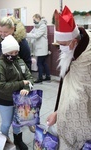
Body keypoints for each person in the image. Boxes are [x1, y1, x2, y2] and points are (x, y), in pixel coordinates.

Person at [46, 6, 91, 150]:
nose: (61, 48)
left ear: (75, 41)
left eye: (63, 44)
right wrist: (58, 113)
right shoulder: (70, 55)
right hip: (65, 122)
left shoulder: (86, 58)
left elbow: (82, 94)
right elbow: (67, 91)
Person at [0, 16, 32, 129]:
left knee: (19, 100)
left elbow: (27, 62)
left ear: (13, 29)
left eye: (5, 31)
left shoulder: (21, 41)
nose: (2, 34)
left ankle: (26, 120)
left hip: (14, 79)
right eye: (0, 31)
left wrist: (24, 78)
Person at [0, 35, 33, 150]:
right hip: (5, 100)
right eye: (11, 52)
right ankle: (4, 143)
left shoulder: (20, 62)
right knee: (6, 124)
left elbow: (29, 78)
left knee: (18, 122)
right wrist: (21, 84)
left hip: (20, 100)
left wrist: (27, 88)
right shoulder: (0, 65)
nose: (14, 55)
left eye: (16, 52)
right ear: (5, 52)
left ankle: (18, 141)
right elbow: (1, 86)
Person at [26, 14, 51, 83]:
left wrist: (25, 34)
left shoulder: (43, 26)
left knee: (39, 63)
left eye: (34, 19)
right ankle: (48, 76)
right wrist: (26, 35)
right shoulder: (36, 26)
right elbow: (31, 33)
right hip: (39, 48)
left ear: (38, 18)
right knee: (43, 63)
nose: (34, 21)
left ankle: (40, 78)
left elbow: (37, 35)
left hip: (42, 48)